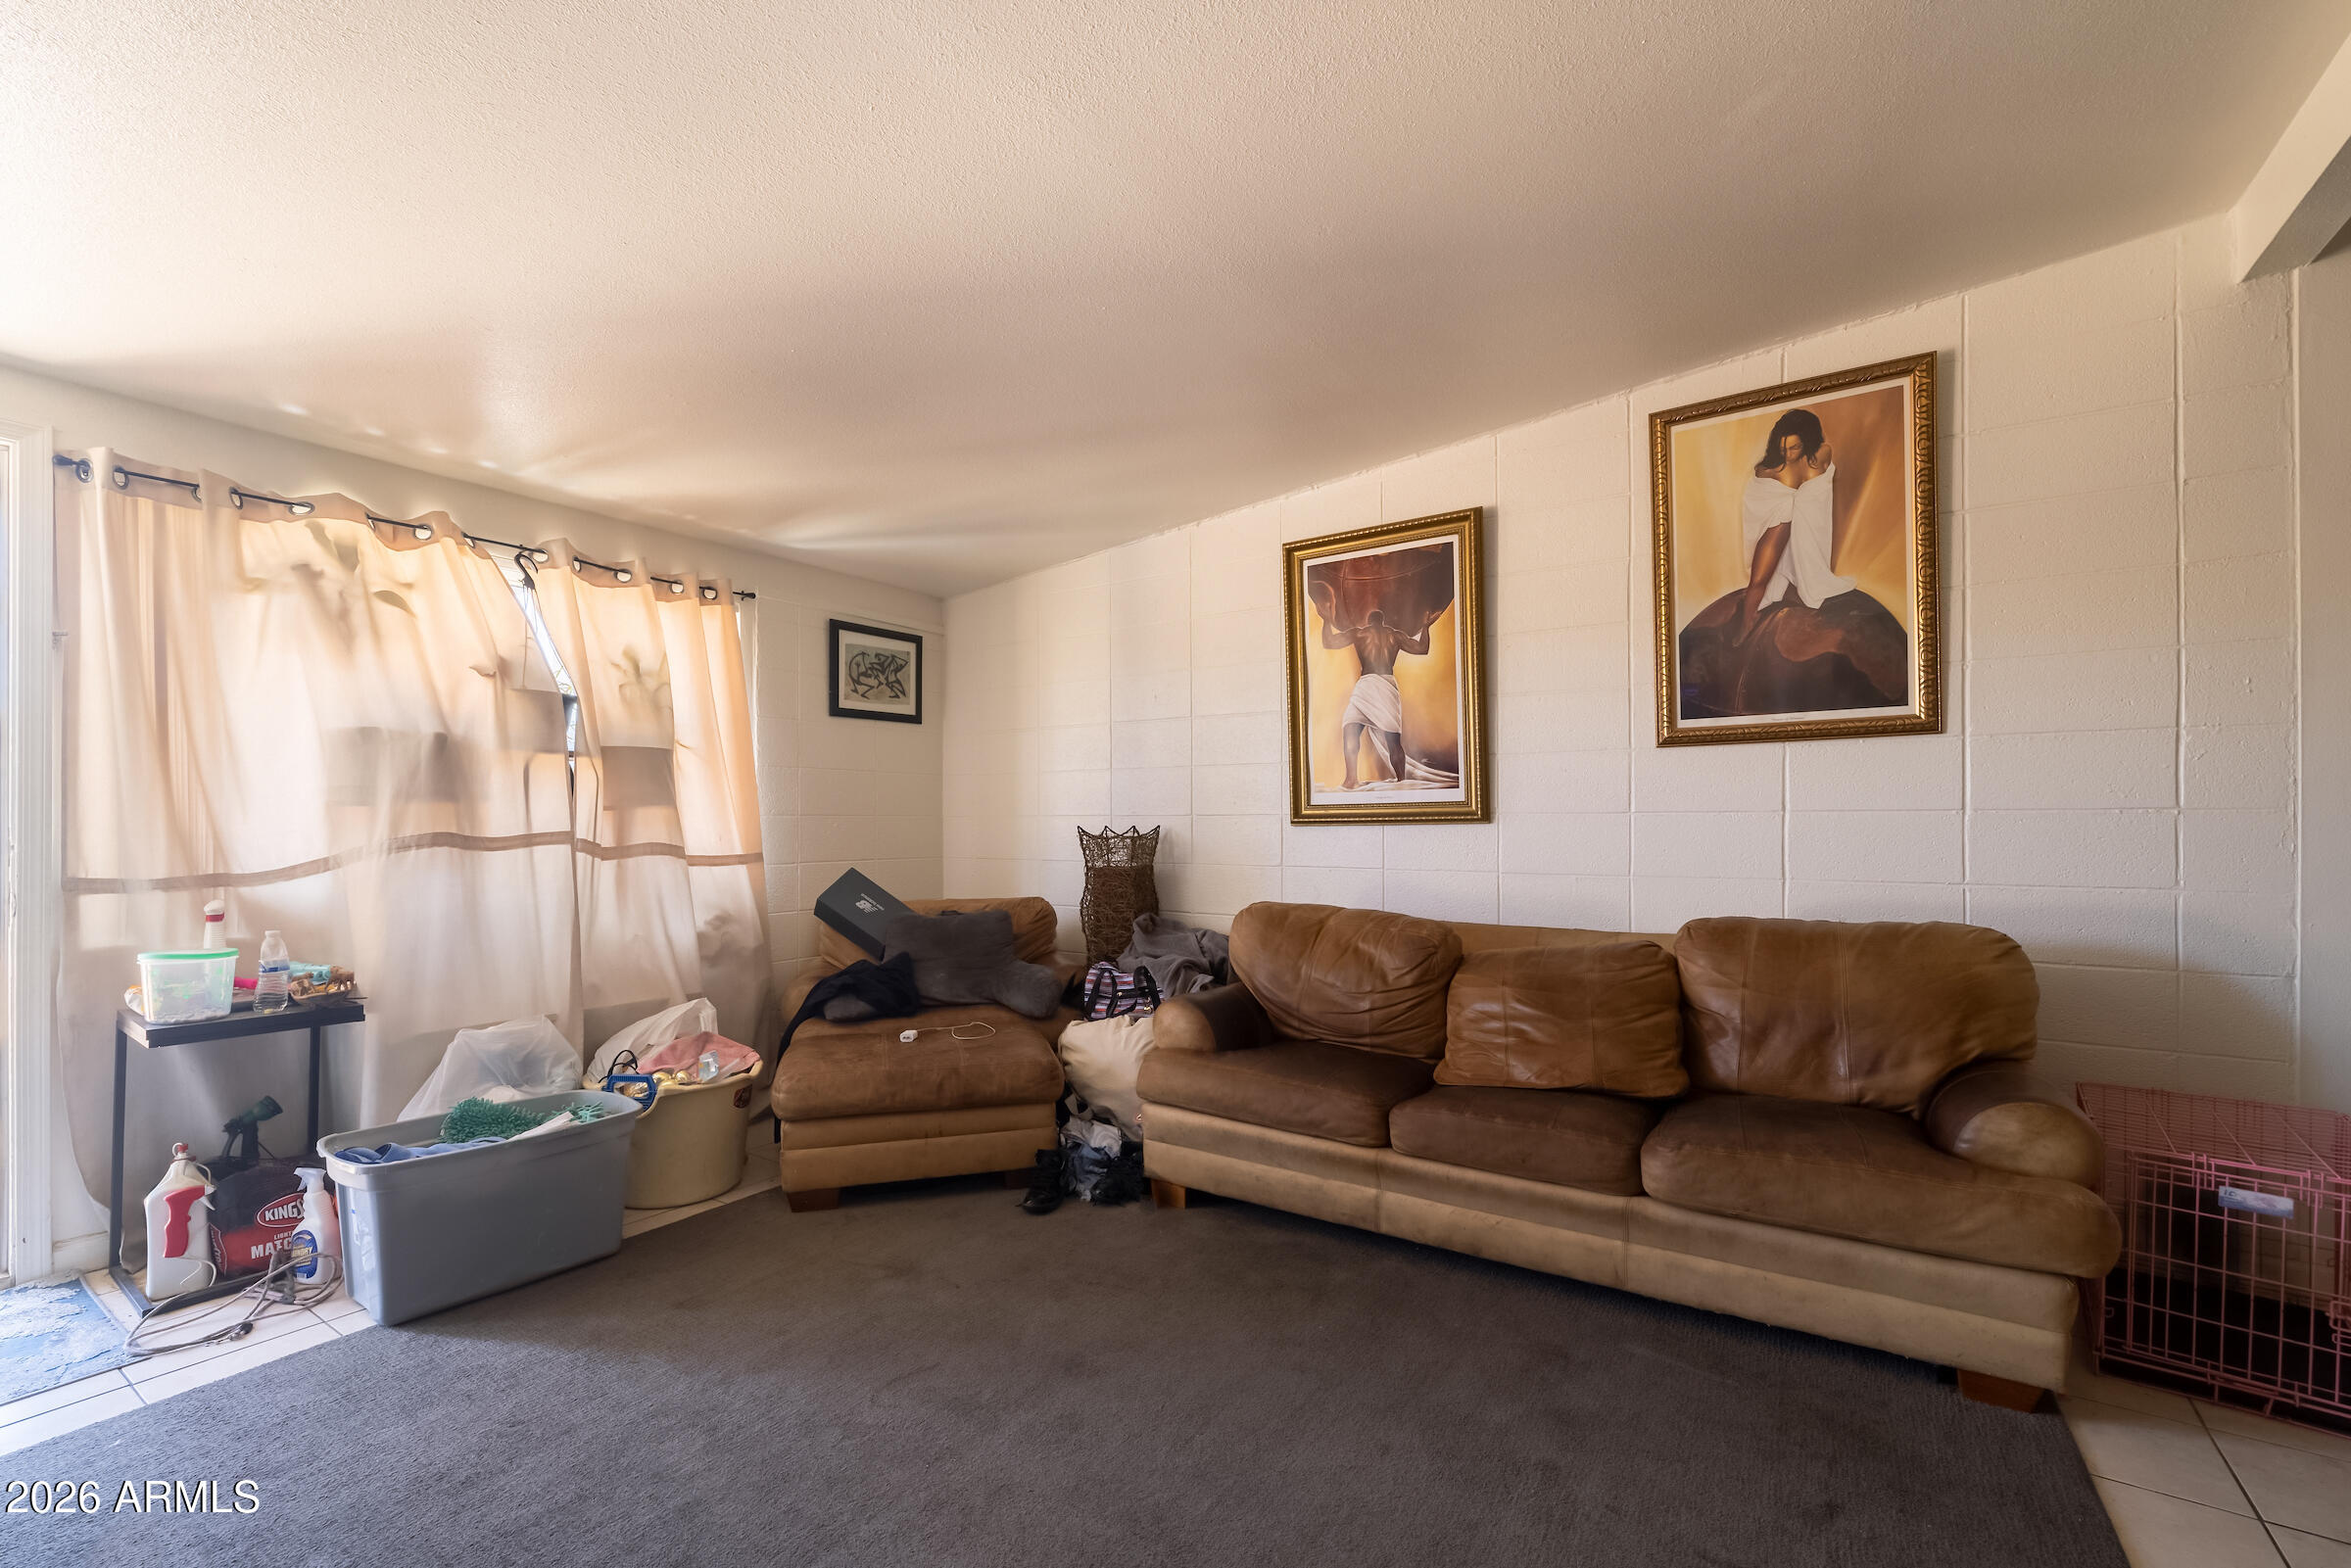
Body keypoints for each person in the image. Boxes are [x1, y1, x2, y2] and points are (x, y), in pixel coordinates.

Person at [1736, 408, 1853, 641]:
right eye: (1782, 449)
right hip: (1780, 518)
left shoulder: (1822, 453)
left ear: (1808, 441)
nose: (1788, 455)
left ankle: (1750, 621)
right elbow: (1759, 489)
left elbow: (1817, 489)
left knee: (1774, 578)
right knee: (1759, 579)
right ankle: (1746, 623)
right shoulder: (1770, 470)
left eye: (1794, 448)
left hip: (1805, 525)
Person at [1319, 600, 1440, 789]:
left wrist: (1326, 619)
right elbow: (1422, 648)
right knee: (1392, 740)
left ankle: (1352, 779)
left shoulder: (1359, 633)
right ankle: (1400, 781)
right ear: (1383, 622)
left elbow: (1329, 642)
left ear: (1369, 621)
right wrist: (1426, 626)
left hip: (1368, 683)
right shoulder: (1395, 635)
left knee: (1351, 729)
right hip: (1385, 685)